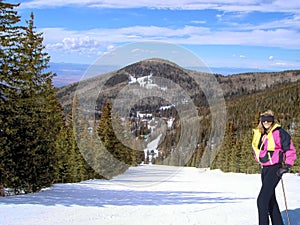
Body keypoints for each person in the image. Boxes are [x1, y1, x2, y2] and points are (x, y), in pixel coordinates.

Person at [252, 109, 297, 225]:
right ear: (261, 121)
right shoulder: (260, 133)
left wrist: (287, 165)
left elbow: (290, 149)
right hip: (265, 168)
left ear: (273, 120)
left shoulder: (279, 133)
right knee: (271, 200)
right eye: (264, 120)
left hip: (275, 168)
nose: (266, 122)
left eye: (269, 120)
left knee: (262, 201)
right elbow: (258, 152)